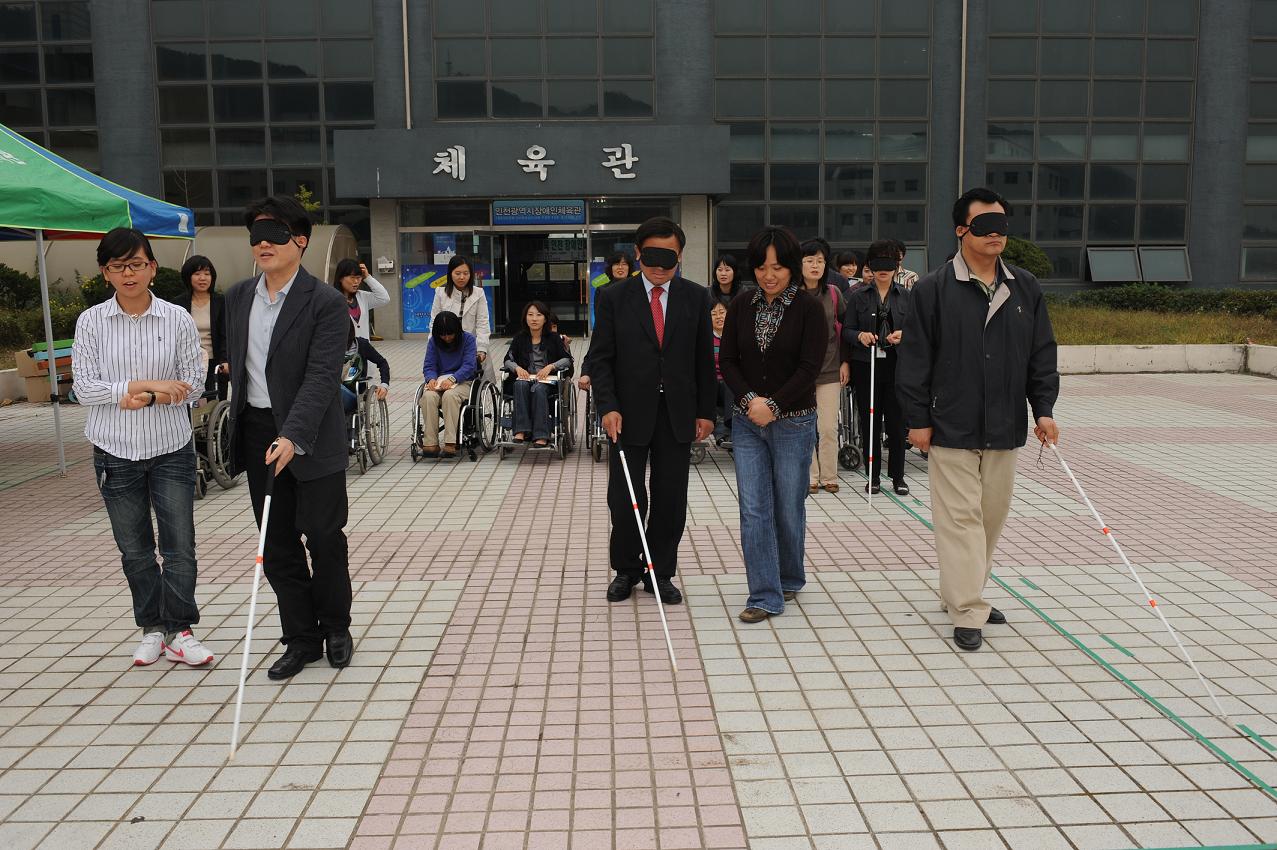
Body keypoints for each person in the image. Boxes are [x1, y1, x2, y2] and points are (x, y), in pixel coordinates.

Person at [897, 187, 1060, 652]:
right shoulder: (933, 288)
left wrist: (1044, 409)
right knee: (960, 519)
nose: (996, 235)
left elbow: (1040, 354)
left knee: (990, 517)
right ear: (961, 231)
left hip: (1004, 425)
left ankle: (960, 590)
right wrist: (917, 419)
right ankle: (968, 606)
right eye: (985, 226)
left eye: (1002, 226)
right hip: (949, 423)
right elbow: (915, 360)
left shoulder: (1025, 286)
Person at [224, 195, 354, 680]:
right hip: (259, 431)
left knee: (323, 537)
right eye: (255, 235)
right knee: (276, 543)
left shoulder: (324, 302)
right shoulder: (237, 297)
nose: (263, 244)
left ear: (299, 241)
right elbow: (236, 365)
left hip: (312, 436)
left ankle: (336, 625)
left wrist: (292, 435)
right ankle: (302, 638)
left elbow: (322, 377)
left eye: (274, 234)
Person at [72, 228, 214, 667]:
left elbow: (194, 384)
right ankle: (152, 627)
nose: (128, 273)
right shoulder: (91, 322)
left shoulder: (177, 318)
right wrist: (143, 384)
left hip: (171, 447)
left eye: (136, 263)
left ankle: (180, 629)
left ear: (152, 267)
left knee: (179, 546)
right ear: (105, 273)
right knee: (134, 549)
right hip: (114, 450)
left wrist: (151, 398)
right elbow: (83, 388)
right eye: (118, 266)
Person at [584, 216, 716, 605]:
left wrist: (706, 411)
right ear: (638, 254)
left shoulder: (695, 297)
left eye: (668, 259)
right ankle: (626, 569)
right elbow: (600, 358)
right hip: (625, 414)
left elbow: (702, 361)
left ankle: (660, 571)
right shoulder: (613, 297)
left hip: (677, 413)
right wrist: (606, 406)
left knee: (670, 498)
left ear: (681, 256)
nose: (659, 268)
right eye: (651, 258)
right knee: (624, 497)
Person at [718, 226, 826, 623]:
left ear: (792, 268)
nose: (769, 275)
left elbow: (809, 367)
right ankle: (764, 594)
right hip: (747, 423)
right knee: (754, 507)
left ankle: (790, 576)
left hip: (794, 423)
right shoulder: (743, 305)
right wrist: (750, 402)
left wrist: (776, 405)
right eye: (762, 267)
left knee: (788, 506)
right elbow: (727, 360)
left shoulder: (809, 308)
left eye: (778, 267)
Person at [842, 241, 912, 496]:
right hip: (866, 364)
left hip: (897, 366)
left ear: (897, 266)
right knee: (869, 421)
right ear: (869, 266)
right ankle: (873, 477)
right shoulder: (858, 296)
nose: (883, 269)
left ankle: (898, 477)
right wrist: (859, 335)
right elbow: (847, 331)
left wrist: (904, 334)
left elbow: (917, 330)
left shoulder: (906, 296)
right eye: (878, 262)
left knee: (896, 423)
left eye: (889, 262)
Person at [800, 240, 845, 495]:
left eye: (819, 261)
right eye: (809, 260)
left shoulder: (834, 293)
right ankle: (810, 476)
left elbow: (846, 328)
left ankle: (830, 475)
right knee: (805, 426)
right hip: (800, 372)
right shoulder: (791, 293)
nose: (815, 265)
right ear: (800, 264)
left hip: (830, 368)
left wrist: (846, 362)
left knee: (828, 426)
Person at [505, 301, 573, 447]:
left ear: (545, 319)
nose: (534, 319)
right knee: (520, 385)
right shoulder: (519, 338)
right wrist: (517, 368)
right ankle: (521, 431)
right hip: (525, 378)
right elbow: (507, 359)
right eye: (530, 315)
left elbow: (567, 359)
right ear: (525, 318)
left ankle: (541, 435)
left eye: (538, 315)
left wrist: (551, 366)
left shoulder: (554, 338)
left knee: (539, 389)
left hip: (547, 381)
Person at [418, 310, 477, 458]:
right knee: (428, 397)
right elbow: (429, 365)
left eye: (450, 334)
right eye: (442, 335)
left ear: (457, 330)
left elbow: (470, 365)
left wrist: (453, 378)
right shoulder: (433, 342)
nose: (446, 338)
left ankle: (451, 442)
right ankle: (430, 442)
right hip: (439, 381)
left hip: (463, 381)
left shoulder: (468, 339)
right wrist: (431, 379)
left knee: (450, 396)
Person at [174, 255, 229, 400]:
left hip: (214, 363)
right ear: (188, 277)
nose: (203, 278)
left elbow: (226, 334)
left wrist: (225, 360)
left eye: (207, 273)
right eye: (197, 274)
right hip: (188, 363)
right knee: (188, 403)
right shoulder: (178, 304)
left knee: (214, 404)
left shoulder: (221, 302)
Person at [334, 258, 390, 400]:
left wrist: (368, 278)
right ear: (341, 278)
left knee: (361, 402)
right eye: (352, 277)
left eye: (359, 278)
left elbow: (384, 298)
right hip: (341, 355)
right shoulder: (332, 299)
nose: (356, 282)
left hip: (363, 354)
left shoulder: (362, 297)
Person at [579, 251, 632, 393]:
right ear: (611, 267)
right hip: (609, 334)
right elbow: (600, 319)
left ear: (629, 267)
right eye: (616, 264)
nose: (620, 267)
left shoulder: (638, 290)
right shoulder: (603, 290)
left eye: (624, 264)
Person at [430, 254, 490, 366]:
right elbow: (434, 322)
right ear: (450, 274)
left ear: (471, 274)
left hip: (472, 348)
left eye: (466, 273)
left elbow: (482, 322)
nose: (462, 277)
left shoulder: (478, 293)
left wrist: (481, 348)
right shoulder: (440, 293)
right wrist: (433, 347)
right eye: (457, 273)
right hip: (447, 346)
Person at [710, 300, 731, 442]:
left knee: (730, 384)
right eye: (714, 314)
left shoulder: (735, 337)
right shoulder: (705, 338)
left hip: (729, 383)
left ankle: (728, 428)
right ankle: (721, 431)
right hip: (710, 381)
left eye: (722, 313)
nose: (718, 317)